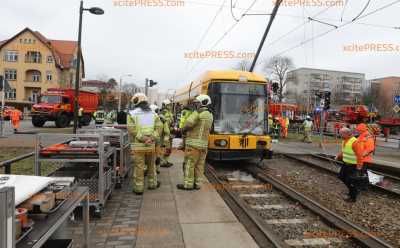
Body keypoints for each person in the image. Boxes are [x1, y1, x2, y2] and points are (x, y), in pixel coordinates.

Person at [177, 95, 213, 190]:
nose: (196, 105)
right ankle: (197, 184)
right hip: (203, 145)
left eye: (197, 103)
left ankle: (188, 185)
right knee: (200, 166)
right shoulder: (210, 115)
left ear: (202, 103)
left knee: (189, 164)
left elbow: (188, 123)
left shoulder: (198, 113)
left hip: (193, 145)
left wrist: (183, 130)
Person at [127, 93, 161, 195]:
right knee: (151, 165)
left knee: (139, 166)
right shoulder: (154, 114)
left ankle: (138, 188)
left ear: (135, 102)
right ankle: (152, 184)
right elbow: (159, 127)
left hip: (138, 145)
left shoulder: (131, 114)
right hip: (151, 144)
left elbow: (131, 129)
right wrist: (151, 138)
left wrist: (143, 138)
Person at [336, 127, 367, 202]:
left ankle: (353, 197)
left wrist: (359, 167)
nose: (339, 135)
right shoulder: (345, 141)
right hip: (346, 163)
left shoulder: (355, 142)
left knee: (350, 181)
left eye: (341, 134)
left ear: (346, 134)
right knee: (341, 177)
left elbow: (359, 155)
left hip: (353, 165)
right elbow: (344, 150)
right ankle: (352, 191)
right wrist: (338, 156)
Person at [160, 99, 174, 167]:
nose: (170, 106)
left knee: (168, 148)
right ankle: (162, 162)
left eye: (170, 105)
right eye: (169, 105)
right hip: (164, 134)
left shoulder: (169, 113)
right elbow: (162, 123)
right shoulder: (162, 113)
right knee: (165, 148)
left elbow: (170, 122)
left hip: (169, 133)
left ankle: (165, 161)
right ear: (165, 105)